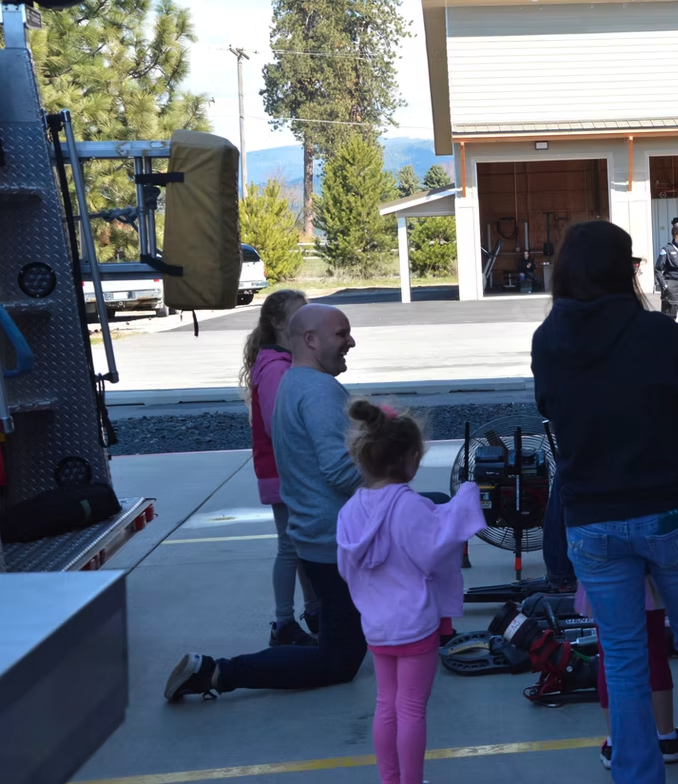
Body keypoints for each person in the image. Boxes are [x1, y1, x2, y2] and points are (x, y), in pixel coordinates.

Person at [531, 220, 678, 784]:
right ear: (623, 270)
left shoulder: (548, 339)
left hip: (593, 522)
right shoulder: (662, 336)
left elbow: (552, 412)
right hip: (670, 510)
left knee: (623, 657)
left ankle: (635, 774)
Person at [165, 304, 368, 700]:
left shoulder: (292, 381)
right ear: (310, 340)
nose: (351, 341)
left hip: (316, 534)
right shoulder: (320, 391)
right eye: (342, 333)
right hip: (333, 541)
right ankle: (213, 673)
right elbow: (341, 472)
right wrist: (391, 472)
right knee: (338, 662)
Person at [337, 400, 486, 784]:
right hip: (415, 627)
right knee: (412, 710)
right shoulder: (410, 506)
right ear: (410, 457)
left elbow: (344, 566)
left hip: (378, 627)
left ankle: (390, 779)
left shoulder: (350, 511)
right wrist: (466, 499)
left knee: (386, 705)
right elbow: (436, 546)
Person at [239, 289, 319, 648]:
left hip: (285, 469)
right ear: (276, 324)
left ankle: (315, 611)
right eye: (298, 316)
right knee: (290, 547)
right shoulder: (275, 368)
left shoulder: (281, 362)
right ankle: (283, 623)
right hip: (283, 471)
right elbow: (279, 423)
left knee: (300, 544)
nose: (306, 322)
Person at [573, 579, 678, 771]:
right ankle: (667, 738)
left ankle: (615, 743)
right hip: (643, 573)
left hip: (601, 568)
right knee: (654, 649)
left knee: (608, 654)